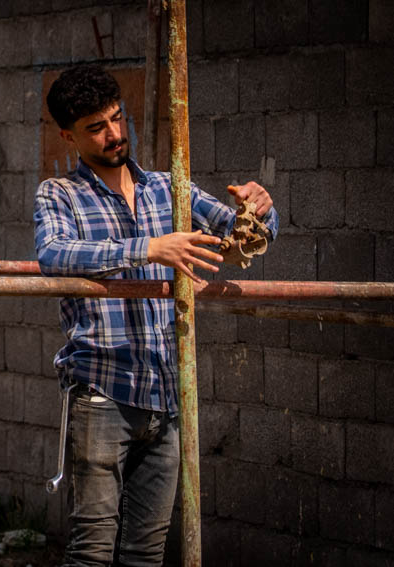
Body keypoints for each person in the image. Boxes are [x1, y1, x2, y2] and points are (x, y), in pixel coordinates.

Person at [33, 65, 278, 566]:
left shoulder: (169, 188)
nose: (114, 134)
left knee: (146, 553)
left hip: (165, 394)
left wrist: (258, 211)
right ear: (68, 136)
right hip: (102, 391)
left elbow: (241, 236)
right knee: (91, 552)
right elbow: (53, 253)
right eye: (96, 127)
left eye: (117, 118)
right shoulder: (59, 194)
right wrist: (149, 248)